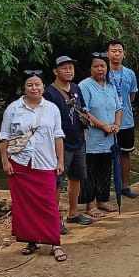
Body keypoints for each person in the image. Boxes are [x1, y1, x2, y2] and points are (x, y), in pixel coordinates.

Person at [0, 71, 67, 261]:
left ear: (44, 87)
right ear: (24, 88)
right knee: (24, 206)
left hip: (46, 163)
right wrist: (5, 161)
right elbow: (4, 137)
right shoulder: (13, 109)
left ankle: (55, 243)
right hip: (20, 164)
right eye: (30, 85)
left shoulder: (52, 108)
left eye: (38, 84)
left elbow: (58, 135)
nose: (34, 88)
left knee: (49, 204)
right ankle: (32, 240)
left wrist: (60, 161)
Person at [42, 55, 92, 229]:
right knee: (57, 181)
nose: (69, 71)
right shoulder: (49, 93)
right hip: (60, 144)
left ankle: (73, 213)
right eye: (64, 68)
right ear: (55, 71)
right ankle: (54, 219)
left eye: (71, 68)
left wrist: (84, 132)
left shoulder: (77, 88)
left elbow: (83, 111)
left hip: (78, 140)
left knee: (76, 178)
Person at [81, 54, 123, 218]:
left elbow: (119, 108)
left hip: (110, 137)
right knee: (90, 170)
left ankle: (103, 200)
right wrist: (103, 126)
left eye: (102, 66)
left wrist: (117, 125)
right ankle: (90, 204)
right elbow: (84, 112)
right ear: (90, 68)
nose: (100, 69)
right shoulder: (85, 86)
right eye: (96, 66)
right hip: (92, 137)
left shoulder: (111, 86)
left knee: (106, 169)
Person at [106, 40, 139, 199]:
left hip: (126, 120)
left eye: (119, 51)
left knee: (125, 153)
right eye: (113, 51)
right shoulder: (103, 72)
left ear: (124, 54)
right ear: (108, 53)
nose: (116, 54)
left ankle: (125, 186)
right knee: (105, 155)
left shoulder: (130, 74)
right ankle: (105, 188)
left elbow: (132, 96)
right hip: (106, 121)